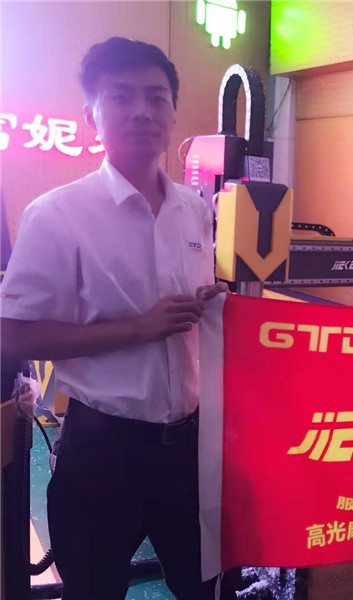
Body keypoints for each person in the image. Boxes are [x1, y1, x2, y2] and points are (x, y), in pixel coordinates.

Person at [0, 37, 226, 599]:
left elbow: (190, 313)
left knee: (205, 588)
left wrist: (215, 303)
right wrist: (137, 329)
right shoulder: (57, 214)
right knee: (94, 590)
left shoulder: (195, 211)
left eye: (157, 97)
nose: (142, 111)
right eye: (121, 97)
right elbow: (12, 335)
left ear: (174, 111)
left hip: (190, 449)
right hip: (103, 451)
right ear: (92, 115)